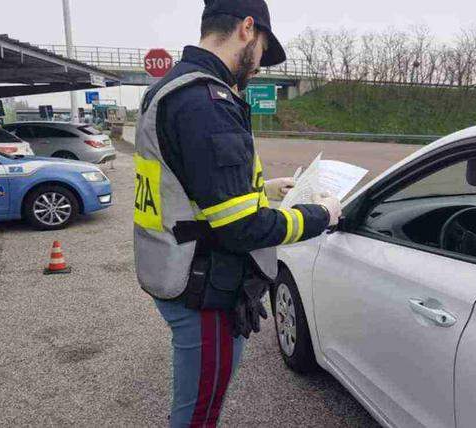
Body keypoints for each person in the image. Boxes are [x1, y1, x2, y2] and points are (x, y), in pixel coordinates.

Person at [132, 1, 342, 426]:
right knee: (198, 414)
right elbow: (242, 228)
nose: (260, 64)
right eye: (264, 48)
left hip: (175, 268)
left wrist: (261, 189)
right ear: (248, 29)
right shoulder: (207, 101)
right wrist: (320, 214)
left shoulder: (172, 88)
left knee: (197, 404)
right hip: (205, 285)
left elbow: (185, 181)